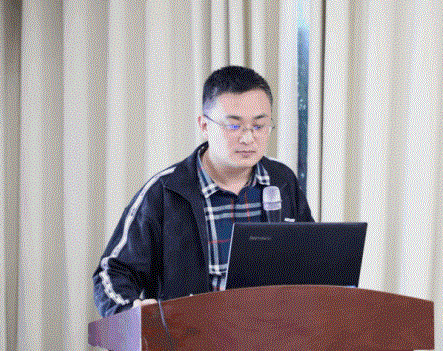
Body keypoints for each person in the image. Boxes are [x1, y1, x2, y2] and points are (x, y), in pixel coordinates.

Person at [93, 66, 313, 316]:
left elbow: (309, 259)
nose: (248, 138)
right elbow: (111, 273)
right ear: (204, 125)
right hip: (192, 335)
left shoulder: (282, 181)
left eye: (259, 126)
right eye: (234, 126)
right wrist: (130, 310)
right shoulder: (165, 192)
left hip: (273, 331)